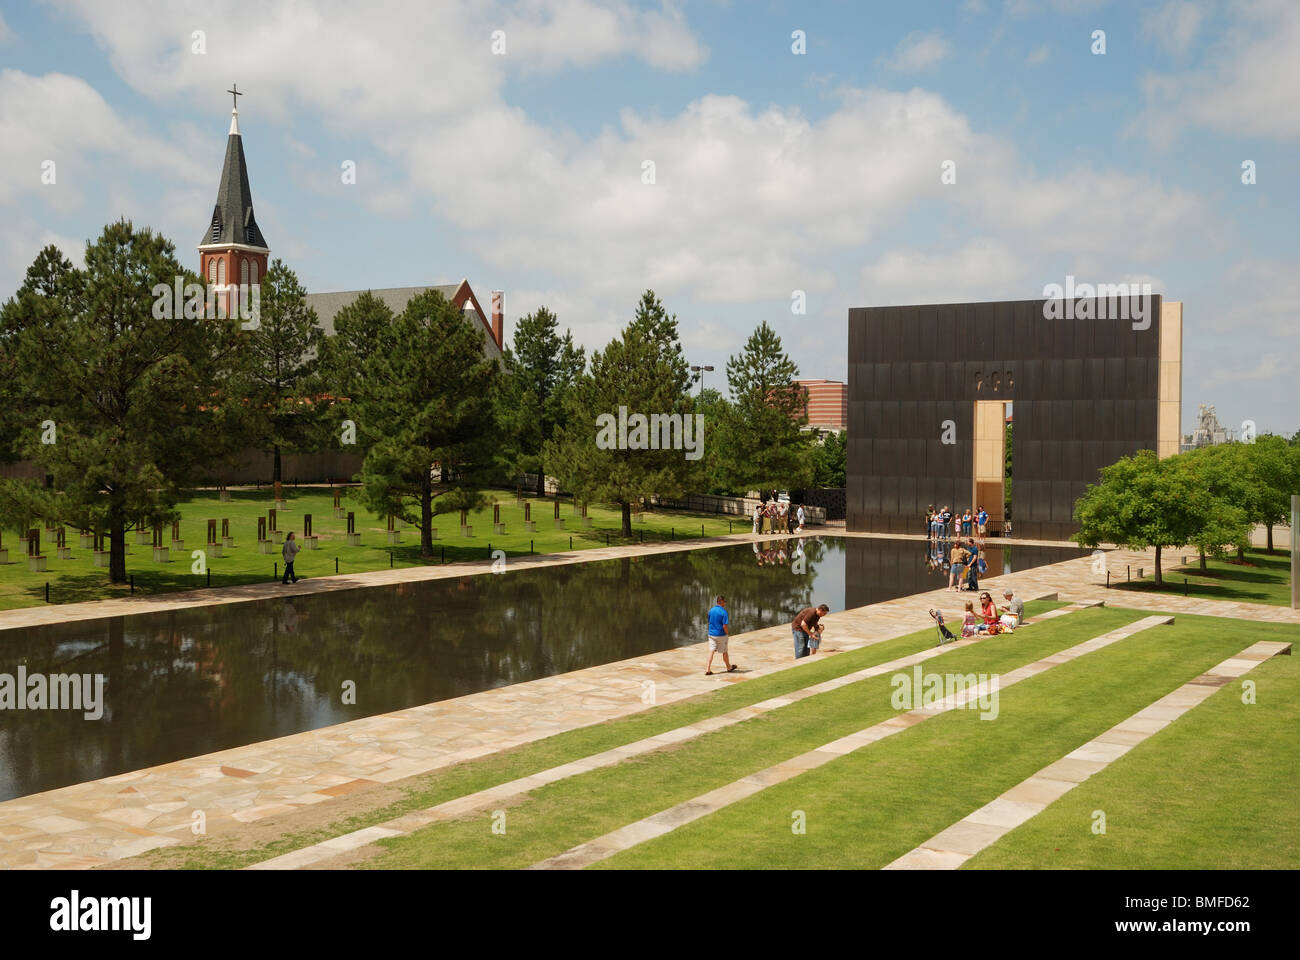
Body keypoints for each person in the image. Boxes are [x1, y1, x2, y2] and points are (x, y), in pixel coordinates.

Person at [705, 595, 736, 675]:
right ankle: (729, 667)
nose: (725, 603)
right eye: (724, 601)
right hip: (721, 635)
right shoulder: (724, 612)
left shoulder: (711, 610)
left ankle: (708, 669)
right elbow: (725, 625)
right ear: (721, 601)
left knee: (711, 651)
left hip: (711, 634)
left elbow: (709, 621)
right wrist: (727, 634)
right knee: (724, 652)